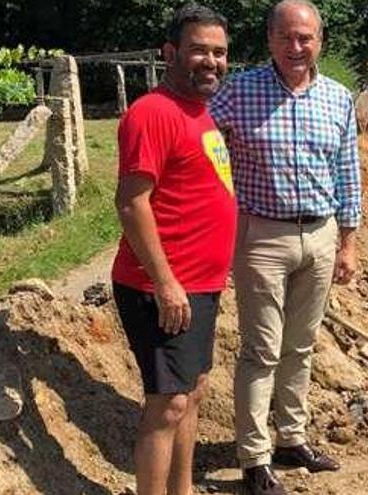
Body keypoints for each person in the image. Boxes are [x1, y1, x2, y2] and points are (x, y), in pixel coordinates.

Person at [209, 1, 361, 494]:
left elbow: (347, 174)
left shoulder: (338, 99)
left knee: (301, 345)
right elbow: (199, 145)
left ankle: (291, 438)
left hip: (320, 236)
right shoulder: (238, 91)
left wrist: (347, 242)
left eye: (306, 38)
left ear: (320, 41)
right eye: (287, 38)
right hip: (261, 237)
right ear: (270, 39)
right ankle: (254, 458)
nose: (297, 48)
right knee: (261, 350)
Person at [110, 4, 235, 495]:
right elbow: (132, 203)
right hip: (162, 288)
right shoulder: (153, 113)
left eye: (219, 52)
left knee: (193, 391)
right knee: (168, 404)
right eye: (199, 50)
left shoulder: (198, 112)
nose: (211, 61)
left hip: (199, 286)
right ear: (170, 53)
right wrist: (165, 283)